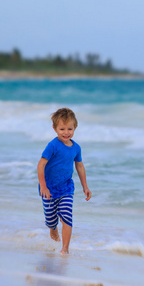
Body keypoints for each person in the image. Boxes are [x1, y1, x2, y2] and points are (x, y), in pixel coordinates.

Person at [37, 107, 92, 254]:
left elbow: (80, 167)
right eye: (62, 129)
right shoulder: (53, 145)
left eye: (70, 129)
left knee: (67, 215)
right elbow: (41, 165)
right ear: (55, 129)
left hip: (66, 188)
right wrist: (43, 185)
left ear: (75, 128)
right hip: (48, 188)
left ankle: (65, 249)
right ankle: (52, 227)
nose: (66, 132)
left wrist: (85, 187)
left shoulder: (76, 148)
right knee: (50, 219)